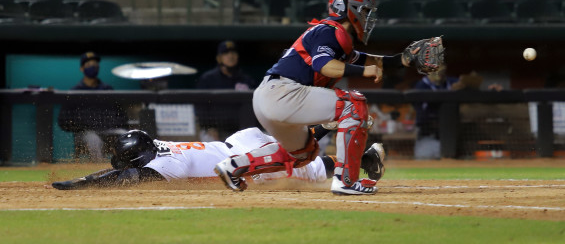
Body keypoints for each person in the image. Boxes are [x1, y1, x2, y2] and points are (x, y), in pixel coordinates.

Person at [214, 0, 433, 195]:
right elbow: (325, 66)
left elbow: (369, 60)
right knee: (354, 104)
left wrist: (401, 60)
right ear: (350, 9)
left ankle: (234, 166)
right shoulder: (329, 30)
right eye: (365, 11)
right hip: (283, 92)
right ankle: (346, 181)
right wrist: (364, 73)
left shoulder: (336, 38)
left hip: (270, 97)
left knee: (303, 153)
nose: (368, 18)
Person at [51, 128, 386, 190]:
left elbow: (127, 178)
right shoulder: (154, 143)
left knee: (309, 171)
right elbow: (131, 160)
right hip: (240, 139)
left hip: (244, 159)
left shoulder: (168, 166)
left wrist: (84, 182)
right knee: (300, 152)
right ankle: (327, 126)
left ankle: (366, 160)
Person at [57, 51, 129, 161]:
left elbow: (122, 115)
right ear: (82, 68)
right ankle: (99, 172)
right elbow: (63, 120)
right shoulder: (74, 92)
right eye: (89, 65)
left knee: (124, 136)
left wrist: (113, 125)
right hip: (87, 133)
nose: (93, 67)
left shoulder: (108, 90)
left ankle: (128, 169)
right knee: (93, 139)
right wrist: (82, 127)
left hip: (109, 131)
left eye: (95, 64)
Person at [195, 40, 257, 140]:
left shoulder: (246, 80)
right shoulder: (208, 79)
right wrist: (209, 127)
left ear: (237, 56)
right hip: (215, 130)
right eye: (226, 53)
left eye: (233, 53)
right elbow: (201, 107)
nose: (230, 56)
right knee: (209, 141)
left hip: (241, 130)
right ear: (219, 58)